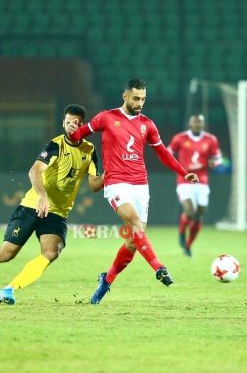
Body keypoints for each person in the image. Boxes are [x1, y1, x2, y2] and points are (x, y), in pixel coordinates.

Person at [0, 104, 103, 304]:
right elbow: (34, 171)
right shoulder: (55, 145)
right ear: (63, 123)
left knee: (51, 252)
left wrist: (112, 173)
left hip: (58, 213)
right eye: (69, 122)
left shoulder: (89, 151)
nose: (72, 126)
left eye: (77, 123)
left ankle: (9, 289)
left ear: (83, 126)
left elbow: (94, 185)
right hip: (32, 206)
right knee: (5, 254)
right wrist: (43, 196)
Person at [67, 78, 199, 305]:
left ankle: (106, 280)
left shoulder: (147, 124)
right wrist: (70, 133)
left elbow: (164, 154)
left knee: (133, 242)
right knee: (136, 225)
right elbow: (79, 136)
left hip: (140, 186)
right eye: (136, 98)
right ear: (125, 96)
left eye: (143, 99)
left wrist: (183, 171)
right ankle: (159, 268)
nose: (140, 103)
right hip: (116, 183)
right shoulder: (106, 118)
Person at [167, 114, 222, 257]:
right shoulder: (180, 138)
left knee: (199, 216)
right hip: (184, 179)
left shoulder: (211, 139)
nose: (197, 125)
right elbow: (167, 153)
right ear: (190, 124)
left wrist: (214, 163)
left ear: (203, 125)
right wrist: (176, 165)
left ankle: (188, 246)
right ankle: (181, 232)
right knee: (190, 212)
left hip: (202, 181)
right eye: (195, 122)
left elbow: (218, 159)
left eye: (200, 123)